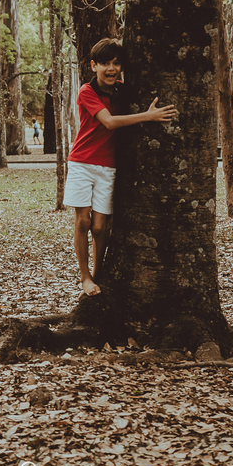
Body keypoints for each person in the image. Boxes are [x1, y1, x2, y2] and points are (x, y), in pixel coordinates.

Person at [64, 38, 176, 296]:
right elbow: (110, 122)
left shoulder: (124, 90)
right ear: (93, 65)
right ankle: (85, 278)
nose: (111, 69)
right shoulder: (87, 91)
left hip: (108, 166)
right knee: (83, 221)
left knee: (101, 226)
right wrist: (149, 116)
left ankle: (99, 275)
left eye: (116, 63)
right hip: (81, 162)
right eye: (105, 63)